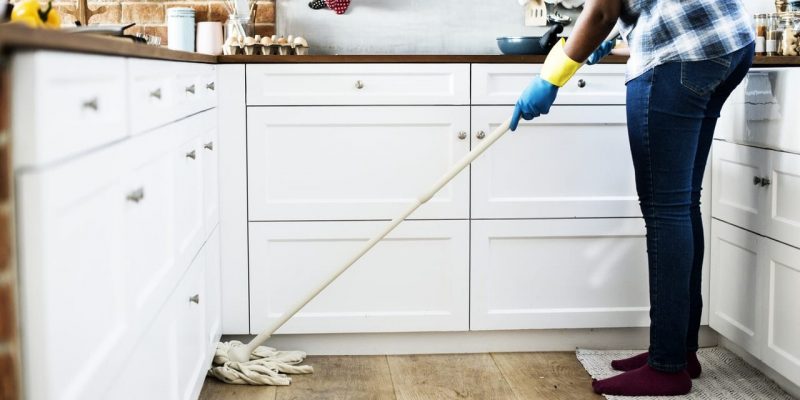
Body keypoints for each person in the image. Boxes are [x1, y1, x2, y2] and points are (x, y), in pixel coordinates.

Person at [510, 0, 755, 396]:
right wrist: (622, 37)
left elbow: (602, 10)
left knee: (666, 210)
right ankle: (679, 350)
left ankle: (667, 367)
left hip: (681, 55)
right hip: (728, 44)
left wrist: (551, 77)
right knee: (682, 203)